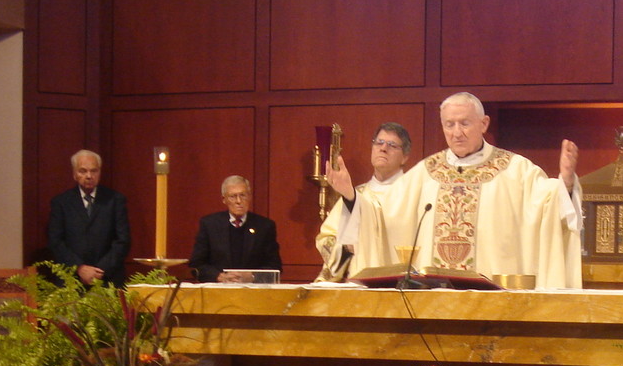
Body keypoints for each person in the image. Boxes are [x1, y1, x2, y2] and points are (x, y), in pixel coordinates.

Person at [326, 92, 583, 289]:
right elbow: (381, 216)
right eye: (449, 125)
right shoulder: (426, 172)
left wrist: (566, 183)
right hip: (434, 299)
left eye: (464, 124)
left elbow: (549, 204)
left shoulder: (516, 170)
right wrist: (350, 197)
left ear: (484, 123)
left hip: (493, 298)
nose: (456, 133)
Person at [315, 122, 411, 281]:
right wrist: (345, 248)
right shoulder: (354, 194)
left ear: (405, 157)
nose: (383, 148)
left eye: (392, 145)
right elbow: (326, 238)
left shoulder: (413, 196)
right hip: (356, 287)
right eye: (379, 142)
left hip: (399, 289)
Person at [47, 149, 131, 287]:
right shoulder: (61, 203)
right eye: (83, 171)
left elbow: (123, 241)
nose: (89, 176)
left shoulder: (115, 200)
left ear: (99, 173)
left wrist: (100, 270)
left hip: (108, 279)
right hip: (71, 280)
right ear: (74, 174)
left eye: (94, 171)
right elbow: (55, 242)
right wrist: (79, 268)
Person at [189, 175, 282, 282]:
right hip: (218, 291)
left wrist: (252, 276)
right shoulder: (209, 225)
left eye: (243, 195)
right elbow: (196, 265)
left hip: (254, 291)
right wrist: (220, 277)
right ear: (224, 199)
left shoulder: (264, 226)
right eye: (233, 196)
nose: (238, 201)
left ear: (250, 197)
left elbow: (275, 267)